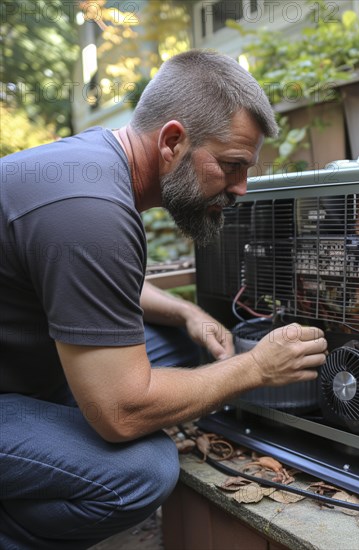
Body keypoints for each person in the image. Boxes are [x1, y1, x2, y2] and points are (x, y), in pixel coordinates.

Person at [0, 50, 327, 549]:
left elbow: (101, 286)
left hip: (23, 368)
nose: (241, 188)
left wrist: (187, 311)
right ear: (173, 141)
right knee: (143, 470)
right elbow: (120, 415)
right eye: (232, 165)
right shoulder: (89, 211)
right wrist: (256, 368)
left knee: (179, 343)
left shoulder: (93, 164)